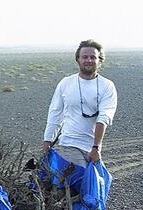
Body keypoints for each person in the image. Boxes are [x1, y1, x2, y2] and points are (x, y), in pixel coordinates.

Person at [43, 39, 118, 167]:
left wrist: (96, 147)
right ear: (78, 59)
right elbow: (55, 113)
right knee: (78, 179)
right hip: (69, 143)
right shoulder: (66, 83)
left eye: (93, 57)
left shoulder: (107, 86)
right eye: (84, 57)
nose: (88, 60)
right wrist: (47, 140)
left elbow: (104, 117)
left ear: (99, 60)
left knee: (97, 183)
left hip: (91, 146)